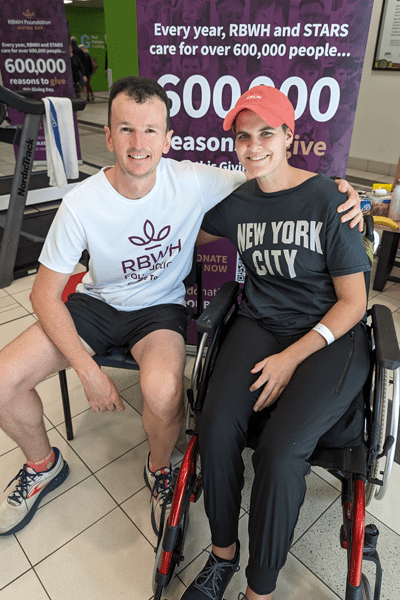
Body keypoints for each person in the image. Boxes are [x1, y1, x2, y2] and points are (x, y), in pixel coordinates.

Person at [0, 77, 361, 540]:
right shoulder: (80, 203)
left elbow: (274, 177)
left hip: (158, 310)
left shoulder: (195, 179)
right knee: (5, 379)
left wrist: (340, 191)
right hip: (96, 302)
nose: (138, 143)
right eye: (126, 129)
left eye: (151, 130)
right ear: (108, 136)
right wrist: (86, 368)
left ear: (169, 140)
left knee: (164, 390)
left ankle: (158, 470)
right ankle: (42, 464)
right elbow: (43, 295)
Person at [181, 86, 371, 600]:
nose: (253, 145)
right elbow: (178, 220)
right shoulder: (237, 202)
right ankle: (223, 555)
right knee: (216, 425)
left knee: (281, 452)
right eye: (243, 136)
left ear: (289, 136)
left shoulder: (328, 199)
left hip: (330, 333)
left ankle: (259, 589)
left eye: (266, 132)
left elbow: (355, 301)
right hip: (260, 321)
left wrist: (290, 359)